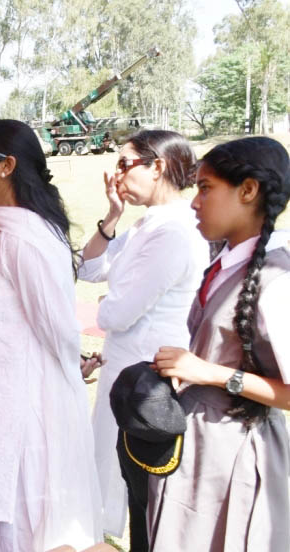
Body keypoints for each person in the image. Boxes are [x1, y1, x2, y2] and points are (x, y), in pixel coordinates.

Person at [0, 119, 101, 550]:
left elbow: (58, 329)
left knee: (24, 522)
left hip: (25, 409)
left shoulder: (29, 239)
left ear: (7, 166)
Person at [148, 136, 290, 551]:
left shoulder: (276, 280)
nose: (195, 201)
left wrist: (208, 372)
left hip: (237, 454)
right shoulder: (227, 259)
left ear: (248, 191)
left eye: (206, 188)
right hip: (198, 449)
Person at [76, 130, 208, 545]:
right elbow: (88, 270)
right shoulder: (146, 226)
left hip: (149, 380)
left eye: (125, 164)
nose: (116, 174)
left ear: (158, 167)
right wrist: (112, 215)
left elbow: (117, 312)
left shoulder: (173, 231)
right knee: (120, 479)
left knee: (143, 491)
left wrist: (108, 301)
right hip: (126, 371)